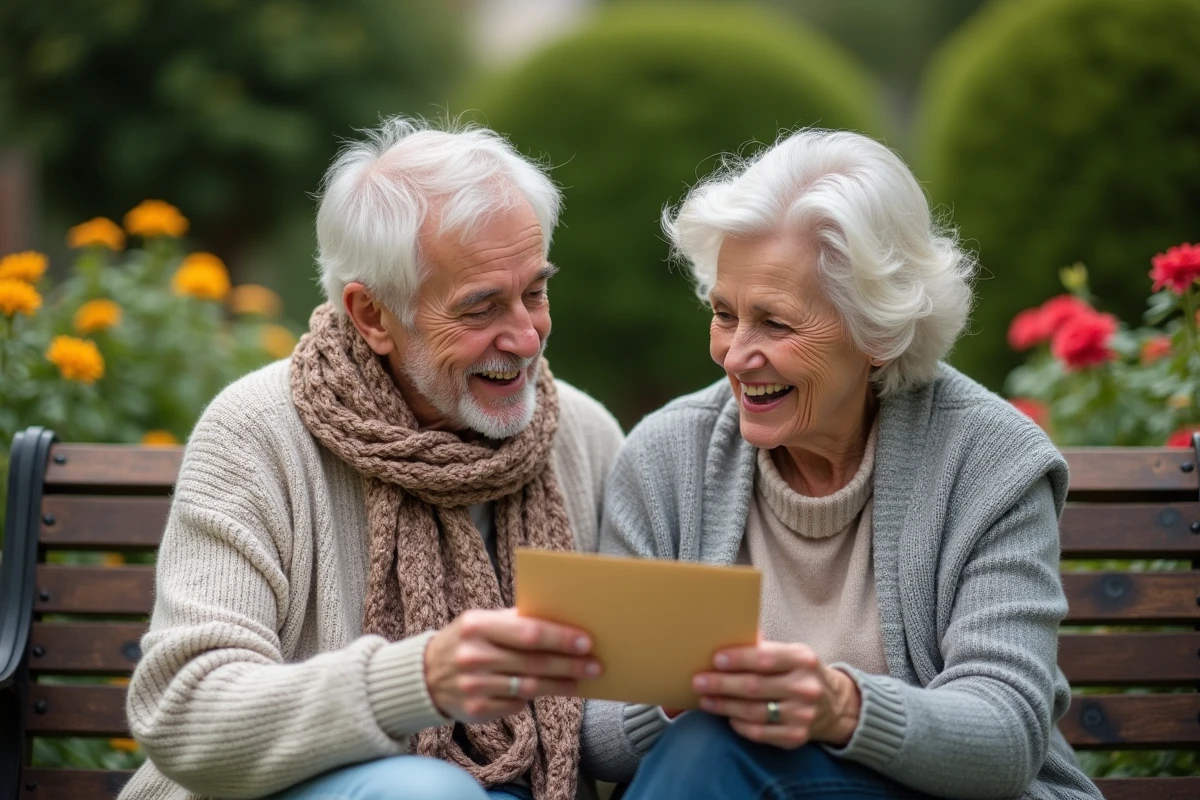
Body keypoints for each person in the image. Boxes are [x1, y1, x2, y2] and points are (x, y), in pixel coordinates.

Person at [578, 130, 1102, 799]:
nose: (736, 355)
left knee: (713, 749)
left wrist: (840, 706)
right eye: (724, 314)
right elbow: (593, 728)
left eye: (776, 323)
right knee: (705, 739)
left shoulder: (989, 463)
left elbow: (1004, 734)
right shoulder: (666, 457)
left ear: (878, 333)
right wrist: (680, 696)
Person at [121, 117, 624, 800]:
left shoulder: (583, 435)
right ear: (372, 315)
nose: (527, 336)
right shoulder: (256, 433)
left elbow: (619, 697)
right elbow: (184, 710)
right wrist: (418, 682)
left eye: (534, 292)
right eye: (480, 309)